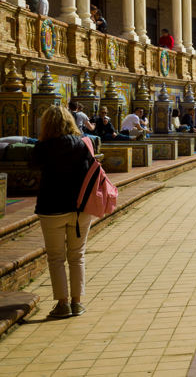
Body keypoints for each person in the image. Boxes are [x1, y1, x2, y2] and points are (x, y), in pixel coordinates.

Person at [31, 105, 95, 318]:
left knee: (56, 258)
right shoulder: (83, 144)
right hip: (80, 208)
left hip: (51, 208)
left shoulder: (42, 147)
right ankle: (77, 303)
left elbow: (33, 165)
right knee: (77, 256)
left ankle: (62, 303)